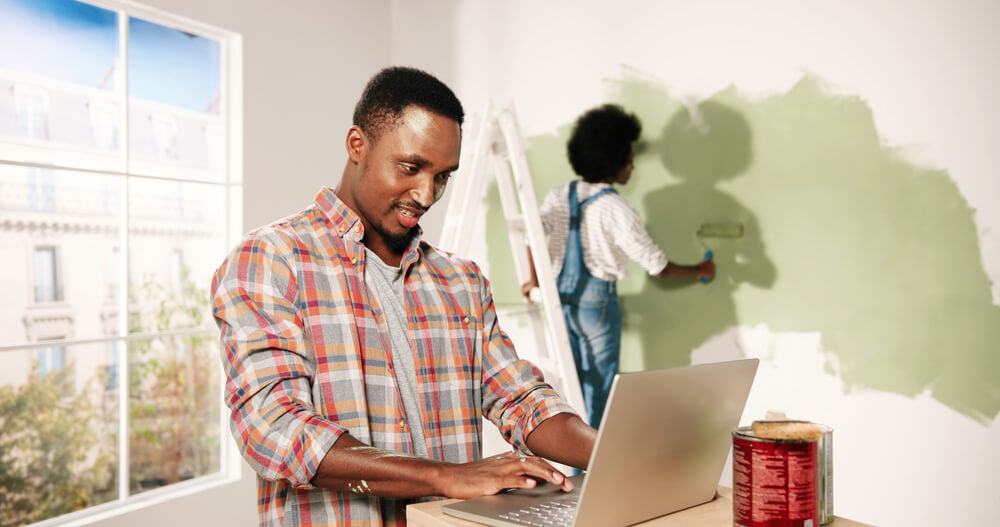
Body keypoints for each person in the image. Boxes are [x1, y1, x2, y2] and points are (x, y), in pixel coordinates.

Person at [210, 67, 596, 526]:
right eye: (411, 168)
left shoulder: (462, 281)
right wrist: (446, 477)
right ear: (358, 145)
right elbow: (274, 429)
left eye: (442, 177)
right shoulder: (271, 260)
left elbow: (520, 399)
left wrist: (616, 452)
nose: (426, 194)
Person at [521, 104, 714, 429]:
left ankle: (572, 464)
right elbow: (659, 267)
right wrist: (699, 269)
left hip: (559, 301)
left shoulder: (559, 196)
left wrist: (533, 280)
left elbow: (530, 232)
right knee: (599, 391)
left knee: (567, 386)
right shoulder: (616, 208)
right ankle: (589, 467)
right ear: (612, 160)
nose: (633, 165)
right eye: (629, 157)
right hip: (597, 305)